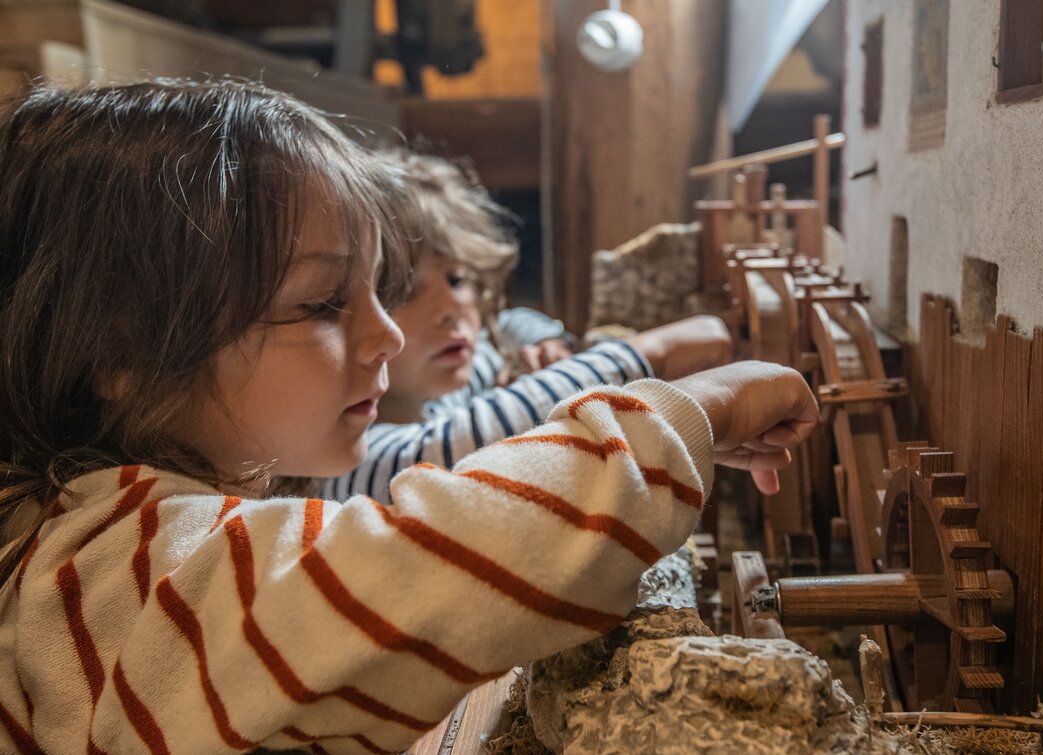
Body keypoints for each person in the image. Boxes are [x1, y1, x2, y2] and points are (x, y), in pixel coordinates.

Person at [0, 79, 818, 752]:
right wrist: (691, 409)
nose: (387, 333)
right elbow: (430, 561)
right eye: (322, 301)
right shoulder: (108, 578)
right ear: (122, 349)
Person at [326, 150, 733, 501]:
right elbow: (437, 453)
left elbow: (507, 324)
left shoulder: (446, 378)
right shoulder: (346, 459)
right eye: (406, 291)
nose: (453, 306)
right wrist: (646, 353)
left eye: (458, 279)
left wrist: (547, 339)